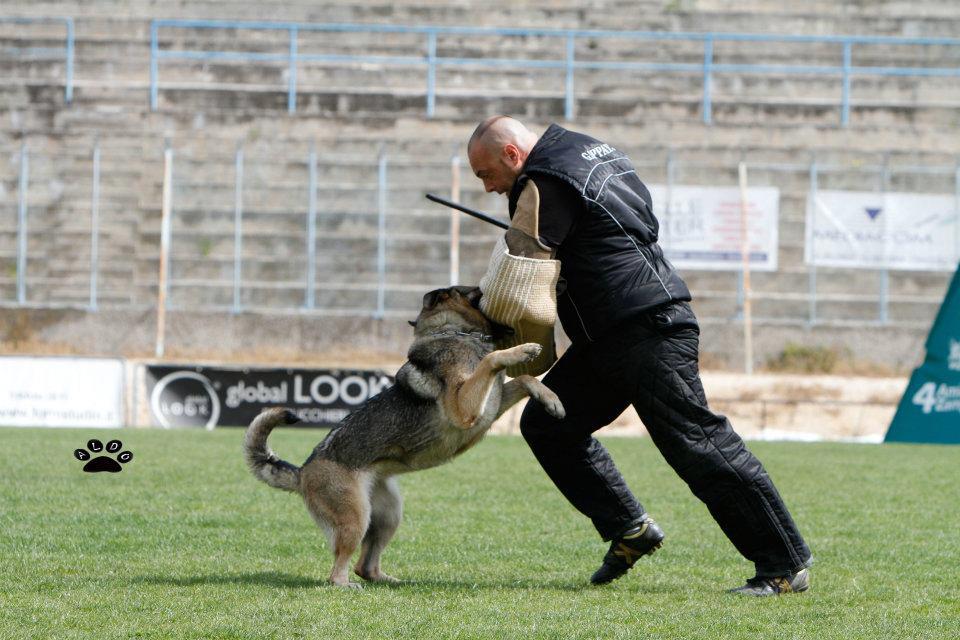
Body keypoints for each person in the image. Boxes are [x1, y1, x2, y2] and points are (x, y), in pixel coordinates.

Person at [468, 116, 812, 596]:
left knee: (698, 443)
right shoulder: (588, 150)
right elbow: (631, 222)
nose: (487, 188)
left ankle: (784, 565)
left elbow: (523, 262)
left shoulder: (545, 179)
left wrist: (483, 314)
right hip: (612, 332)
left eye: (486, 175)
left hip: (644, 327)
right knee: (549, 424)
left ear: (512, 154)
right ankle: (629, 528)